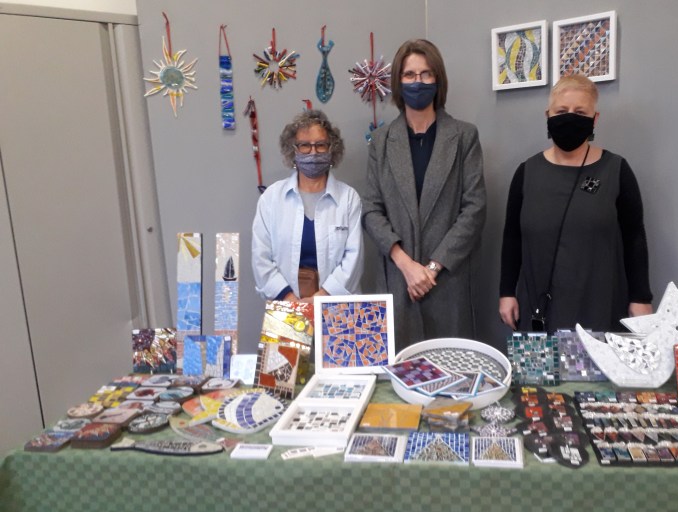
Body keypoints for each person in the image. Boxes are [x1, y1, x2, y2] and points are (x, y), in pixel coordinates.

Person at [498, 74, 653, 333]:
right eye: (561, 111)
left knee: (596, 361)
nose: (570, 117)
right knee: (538, 362)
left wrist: (641, 297)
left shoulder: (616, 170)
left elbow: (634, 237)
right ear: (548, 115)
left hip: (599, 306)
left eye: (580, 112)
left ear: (595, 119)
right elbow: (512, 237)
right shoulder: (526, 172)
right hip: (538, 307)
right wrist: (506, 292)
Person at [361, 39, 487, 350]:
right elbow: (371, 210)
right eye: (409, 75)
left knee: (452, 368)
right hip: (397, 280)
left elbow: (474, 209)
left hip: (447, 281)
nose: (418, 81)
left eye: (426, 74)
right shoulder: (380, 141)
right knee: (399, 370)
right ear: (398, 82)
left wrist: (431, 269)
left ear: (438, 79)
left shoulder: (464, 136)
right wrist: (406, 265)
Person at [252, 110, 363, 302]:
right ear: (293, 150)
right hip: (285, 306)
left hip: (336, 306)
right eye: (304, 145)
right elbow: (260, 258)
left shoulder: (348, 198)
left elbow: (354, 259)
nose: (313, 152)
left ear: (332, 149)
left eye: (320, 145)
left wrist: (321, 299)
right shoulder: (271, 198)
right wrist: (289, 299)